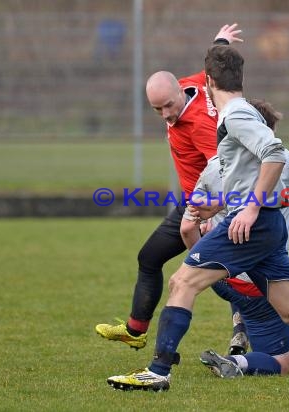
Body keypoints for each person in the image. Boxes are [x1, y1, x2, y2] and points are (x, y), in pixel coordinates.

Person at [106, 44, 289, 392]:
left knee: (181, 283)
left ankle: (158, 372)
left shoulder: (234, 114)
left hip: (252, 225)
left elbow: (273, 151)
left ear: (206, 82)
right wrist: (220, 203)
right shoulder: (234, 116)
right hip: (267, 229)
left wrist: (250, 207)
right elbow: (268, 165)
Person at [94, 24, 243, 350]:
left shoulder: (202, 126)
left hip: (209, 208)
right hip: (191, 205)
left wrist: (212, 213)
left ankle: (244, 323)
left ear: (178, 94)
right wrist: (221, 42)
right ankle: (136, 330)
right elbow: (212, 70)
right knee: (149, 257)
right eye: (157, 109)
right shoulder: (193, 84)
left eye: (167, 106)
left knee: (219, 271)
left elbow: (226, 168)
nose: (165, 115)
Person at [180, 99, 289, 377]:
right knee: (281, 363)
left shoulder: (212, 166)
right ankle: (236, 361)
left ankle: (239, 325)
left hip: (220, 278)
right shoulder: (287, 161)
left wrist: (204, 265)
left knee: (236, 260)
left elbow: (187, 228)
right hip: (263, 286)